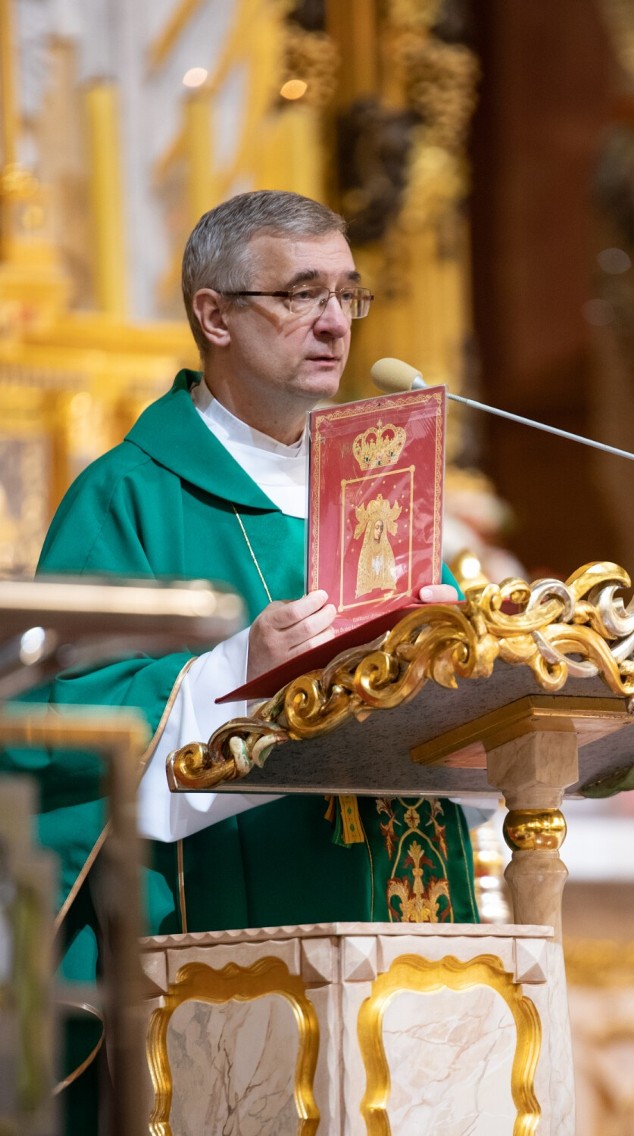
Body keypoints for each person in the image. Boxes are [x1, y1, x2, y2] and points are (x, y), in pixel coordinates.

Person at [8, 190, 479, 1122]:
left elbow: (470, 723)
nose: (335, 324)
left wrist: (461, 659)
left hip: (407, 944)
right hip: (223, 952)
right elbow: (53, 734)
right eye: (301, 294)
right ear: (213, 314)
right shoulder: (131, 498)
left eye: (349, 294)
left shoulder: (386, 490)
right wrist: (231, 675)